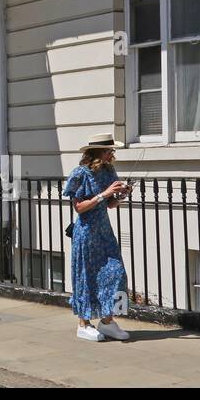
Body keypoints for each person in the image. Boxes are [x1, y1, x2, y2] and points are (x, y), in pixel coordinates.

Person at [63, 133, 131, 342]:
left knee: (117, 272)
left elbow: (108, 205)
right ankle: (83, 323)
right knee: (86, 277)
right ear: (95, 153)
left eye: (111, 150)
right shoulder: (81, 174)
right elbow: (80, 207)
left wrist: (120, 196)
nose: (111, 154)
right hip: (86, 233)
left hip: (104, 231)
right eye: (107, 150)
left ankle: (108, 321)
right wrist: (104, 193)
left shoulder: (109, 171)